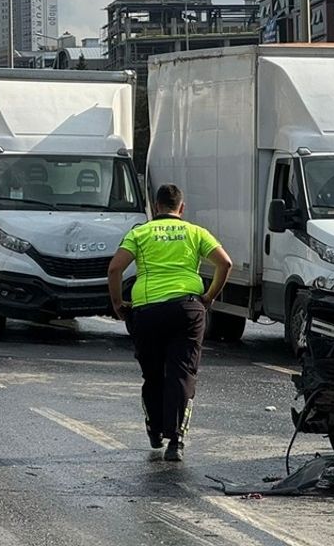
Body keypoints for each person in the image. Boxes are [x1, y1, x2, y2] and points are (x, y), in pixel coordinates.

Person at [106, 183, 232, 463]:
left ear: (156, 206)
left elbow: (115, 268)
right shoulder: (196, 232)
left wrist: (118, 304)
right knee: (181, 373)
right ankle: (176, 441)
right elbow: (225, 263)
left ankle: (154, 431)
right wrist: (209, 297)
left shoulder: (140, 233)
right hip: (187, 310)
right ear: (181, 208)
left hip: (147, 311)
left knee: (153, 374)